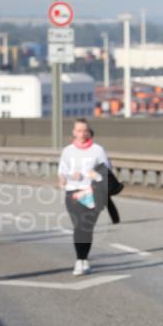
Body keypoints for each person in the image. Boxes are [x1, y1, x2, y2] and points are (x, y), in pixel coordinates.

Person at [57, 118, 111, 276]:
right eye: (79, 130)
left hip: (93, 192)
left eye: (85, 130)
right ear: (74, 132)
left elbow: (108, 172)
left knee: (87, 228)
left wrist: (97, 175)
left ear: (89, 132)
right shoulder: (67, 151)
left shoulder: (98, 150)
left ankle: (84, 260)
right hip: (73, 192)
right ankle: (79, 261)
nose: (82, 133)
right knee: (79, 226)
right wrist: (69, 176)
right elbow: (61, 172)